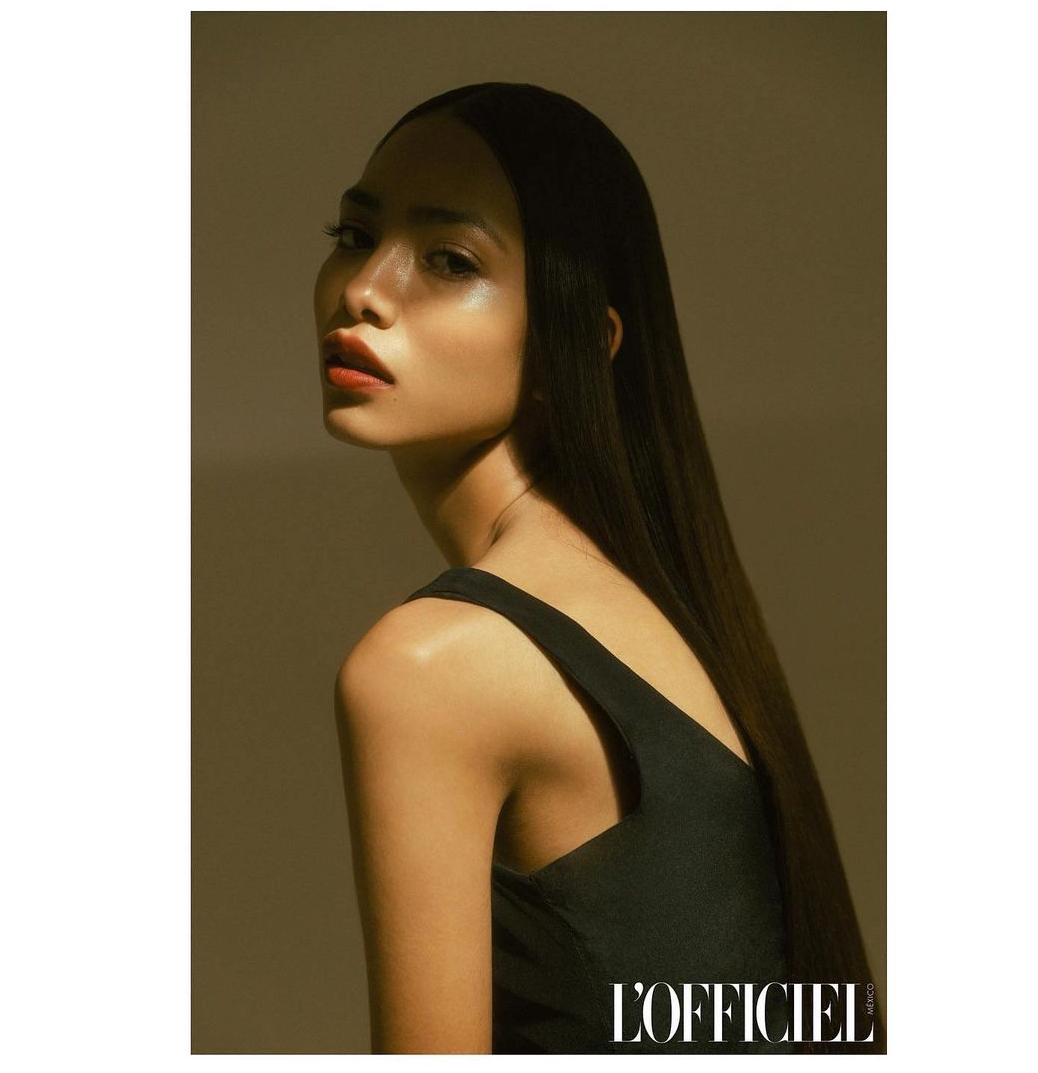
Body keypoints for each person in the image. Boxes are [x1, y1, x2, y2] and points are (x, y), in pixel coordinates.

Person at [316, 82, 883, 1055]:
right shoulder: (659, 611)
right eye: (355, 234)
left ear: (576, 342)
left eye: (450, 260)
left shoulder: (432, 666)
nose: (364, 288)